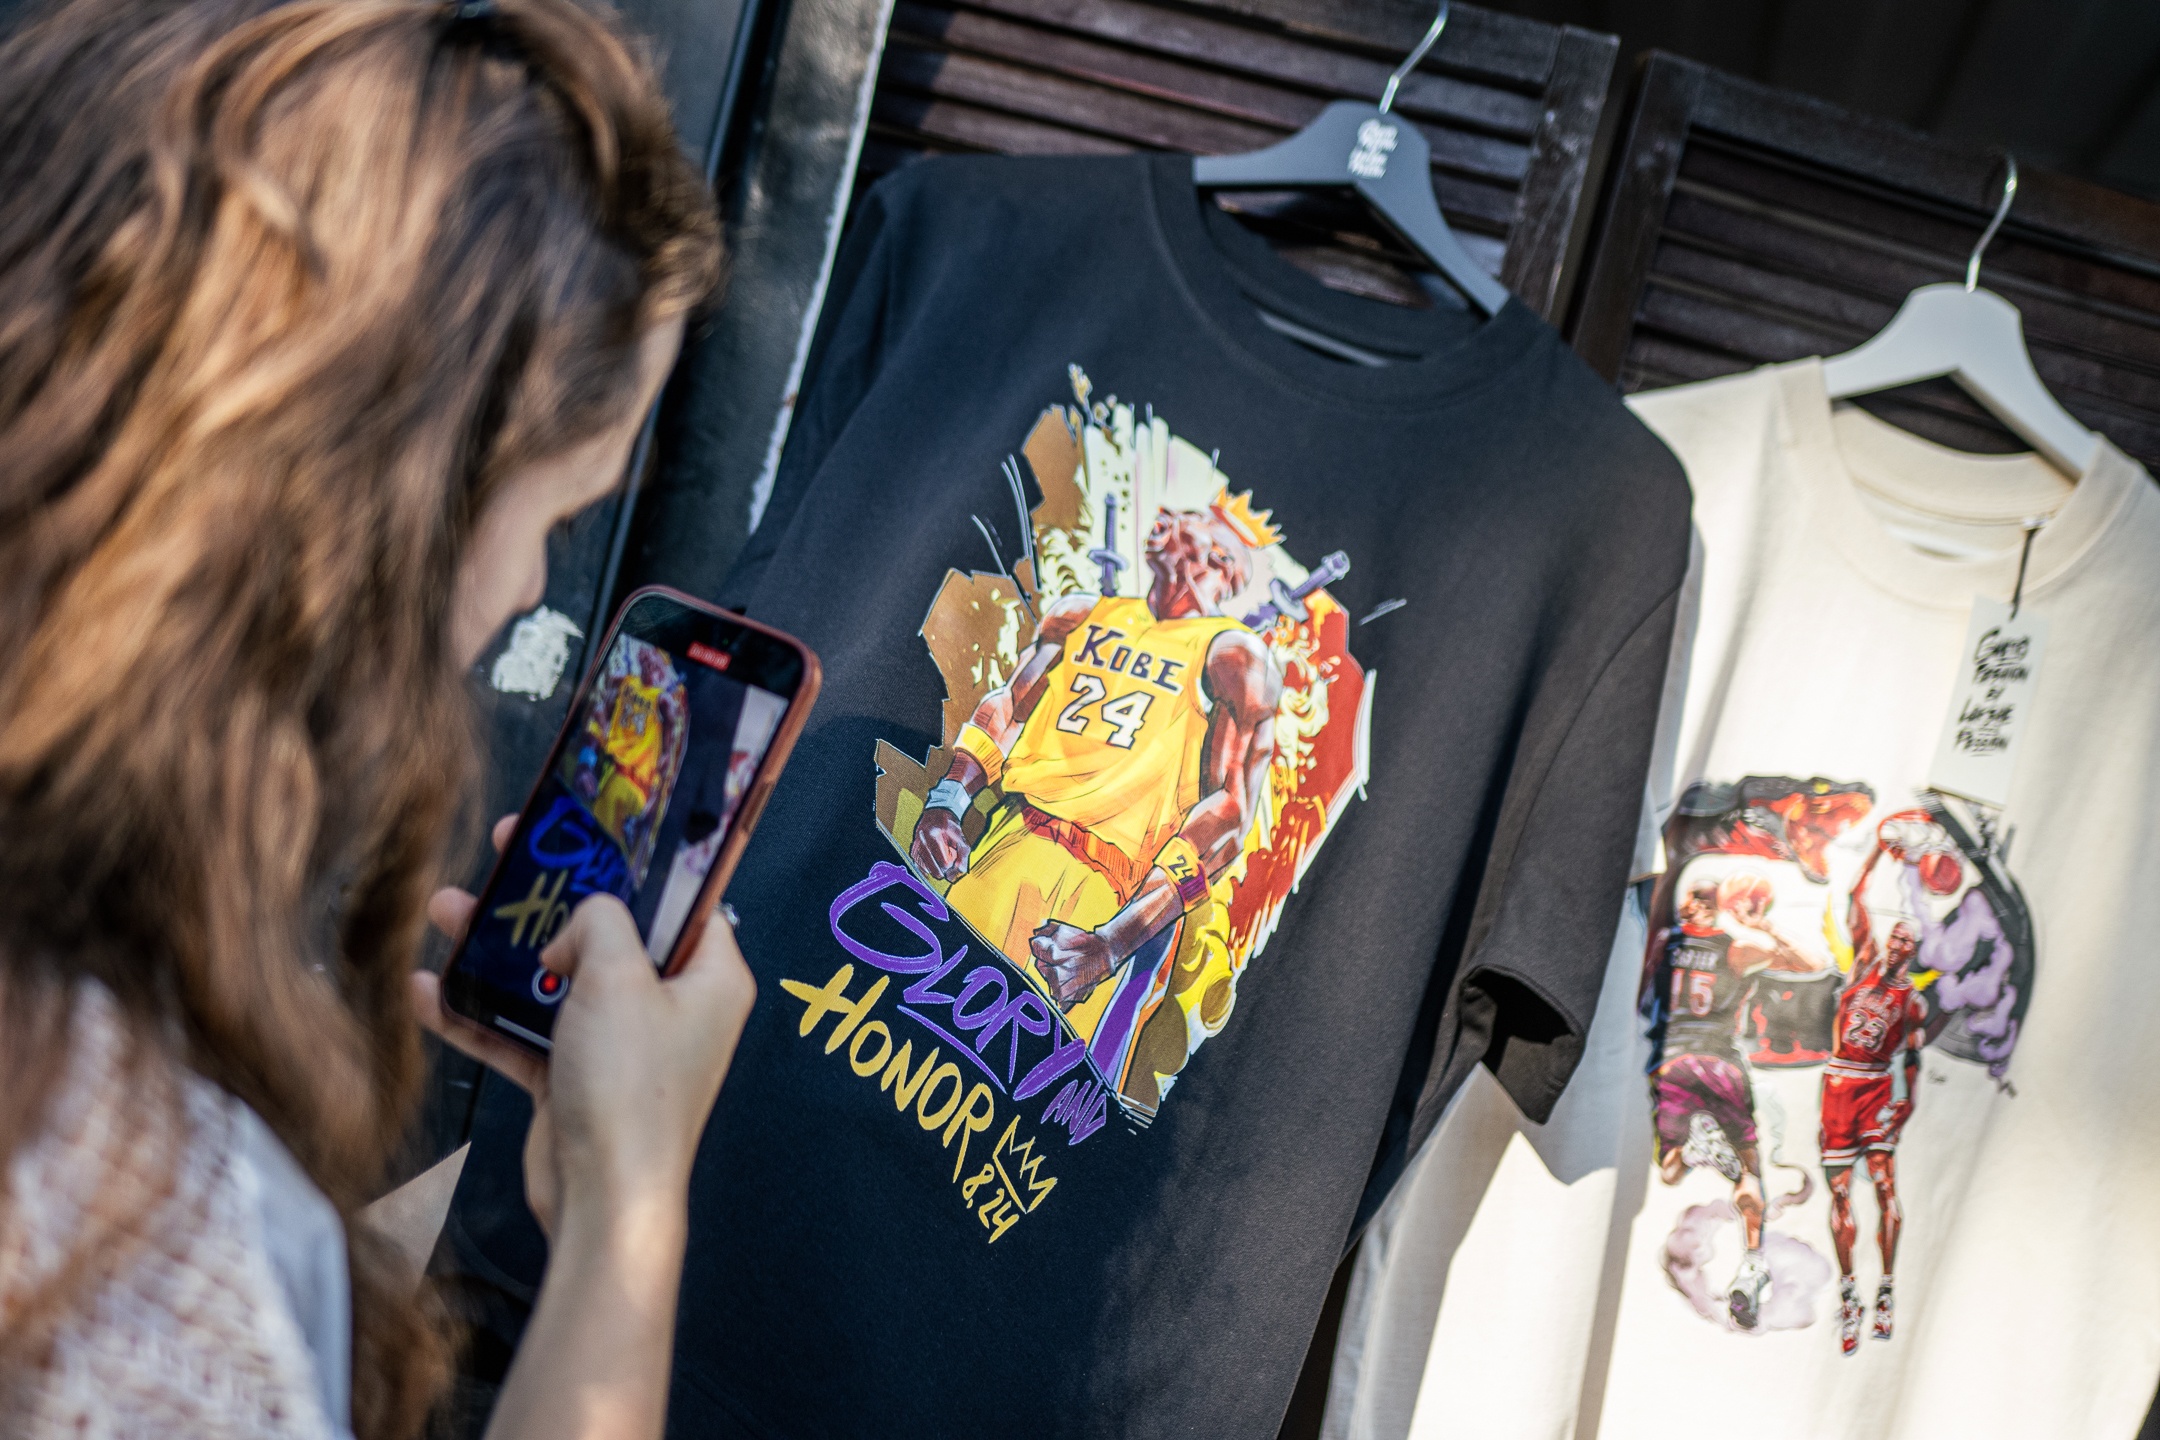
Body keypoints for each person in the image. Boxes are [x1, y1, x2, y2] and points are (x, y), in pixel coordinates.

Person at [0, 1, 747, 1438]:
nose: (529, 596)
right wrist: (630, 1210)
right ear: (380, 509)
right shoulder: (136, 1238)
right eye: (551, 520)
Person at [909, 495, 1282, 1020]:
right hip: (1007, 838)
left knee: (1010, 1049)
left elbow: (1229, 816)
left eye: (1191, 521)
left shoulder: (1233, 656)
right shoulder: (1080, 614)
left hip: (1097, 889)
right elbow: (1010, 709)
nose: (1166, 516)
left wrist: (1112, 942)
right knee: (915, 1003)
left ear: (1221, 559)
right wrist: (947, 800)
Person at [1643, 870, 1819, 1330]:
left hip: (1674, 1064)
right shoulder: (1735, 949)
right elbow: (1812, 963)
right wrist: (1765, 926)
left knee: (1669, 1170)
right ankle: (1752, 1262)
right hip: (1719, 1065)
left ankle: (1693, 1151)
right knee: (1748, 1171)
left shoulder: (1663, 943)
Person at [1823, 851, 1929, 1357]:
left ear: (1915, 952)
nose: (1899, 945)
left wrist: (1909, 1103)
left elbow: (1915, 1057)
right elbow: (1854, 899)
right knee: (1840, 1193)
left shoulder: (1912, 1001)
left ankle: (1886, 1287)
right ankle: (1850, 1294)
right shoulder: (1864, 964)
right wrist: (1876, 855)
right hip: (1838, 1086)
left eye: (1908, 941)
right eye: (1896, 937)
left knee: (1886, 1187)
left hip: (1876, 1088)